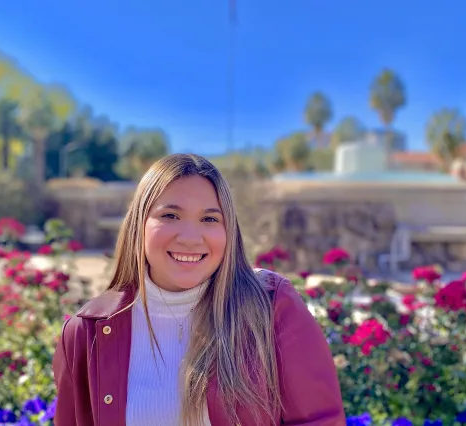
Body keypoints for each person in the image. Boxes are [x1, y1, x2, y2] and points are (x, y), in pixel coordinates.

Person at [52, 153, 345, 426]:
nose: (191, 238)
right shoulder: (85, 332)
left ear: (228, 230)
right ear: (139, 224)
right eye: (170, 216)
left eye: (209, 219)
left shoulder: (272, 307)